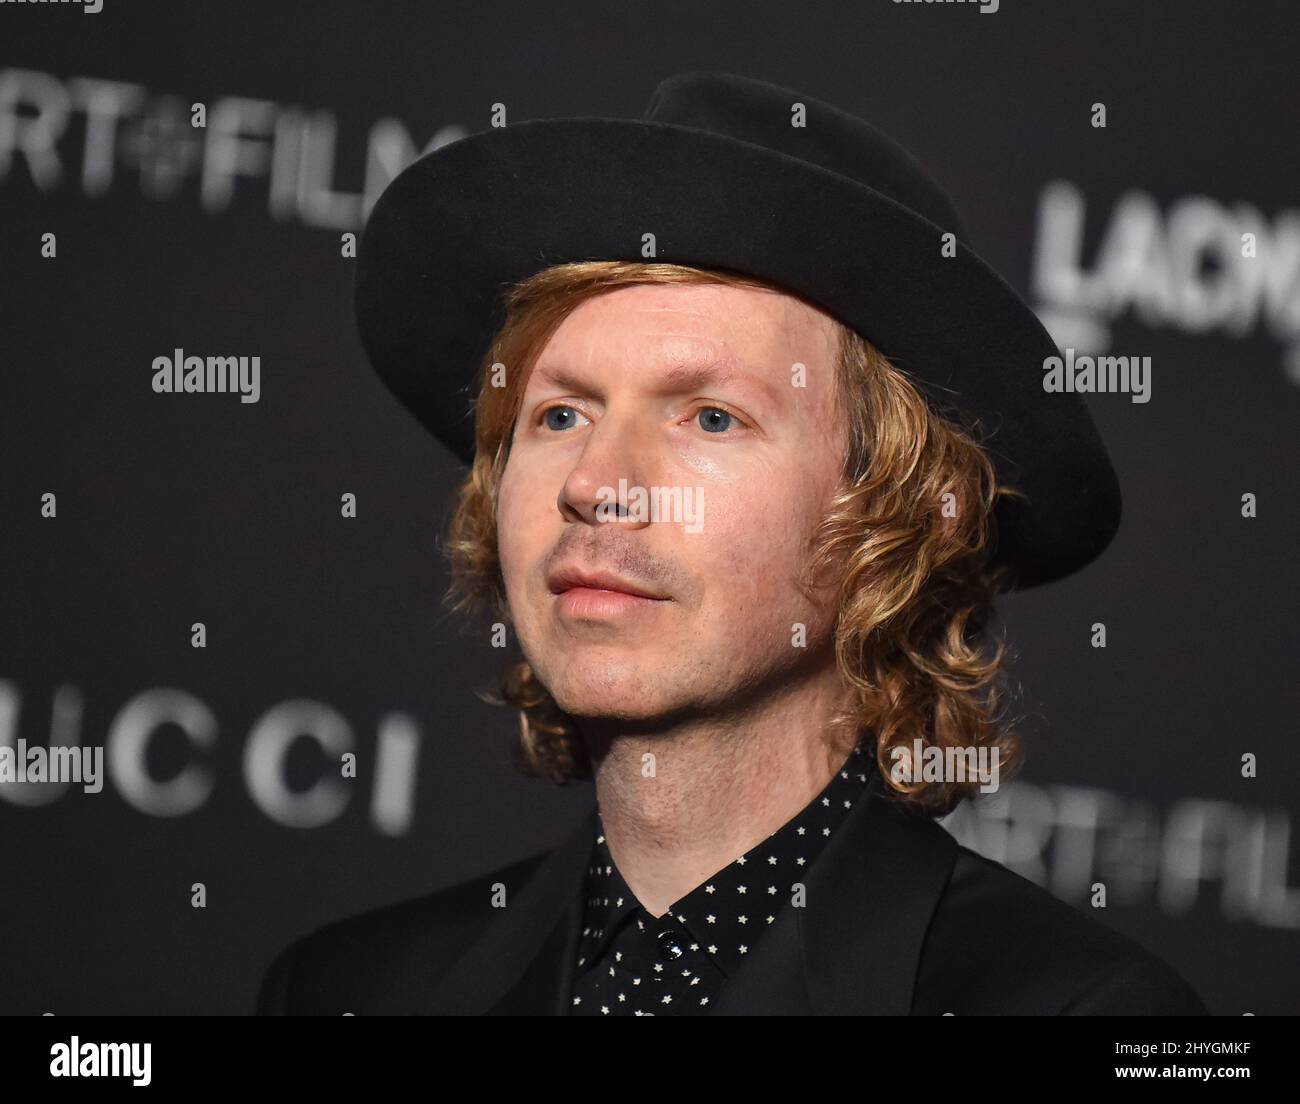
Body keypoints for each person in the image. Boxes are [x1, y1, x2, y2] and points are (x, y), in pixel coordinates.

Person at [255, 71, 1206, 1015]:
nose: (596, 484)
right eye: (557, 416)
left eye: (710, 417)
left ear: (905, 508)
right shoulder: (343, 992)